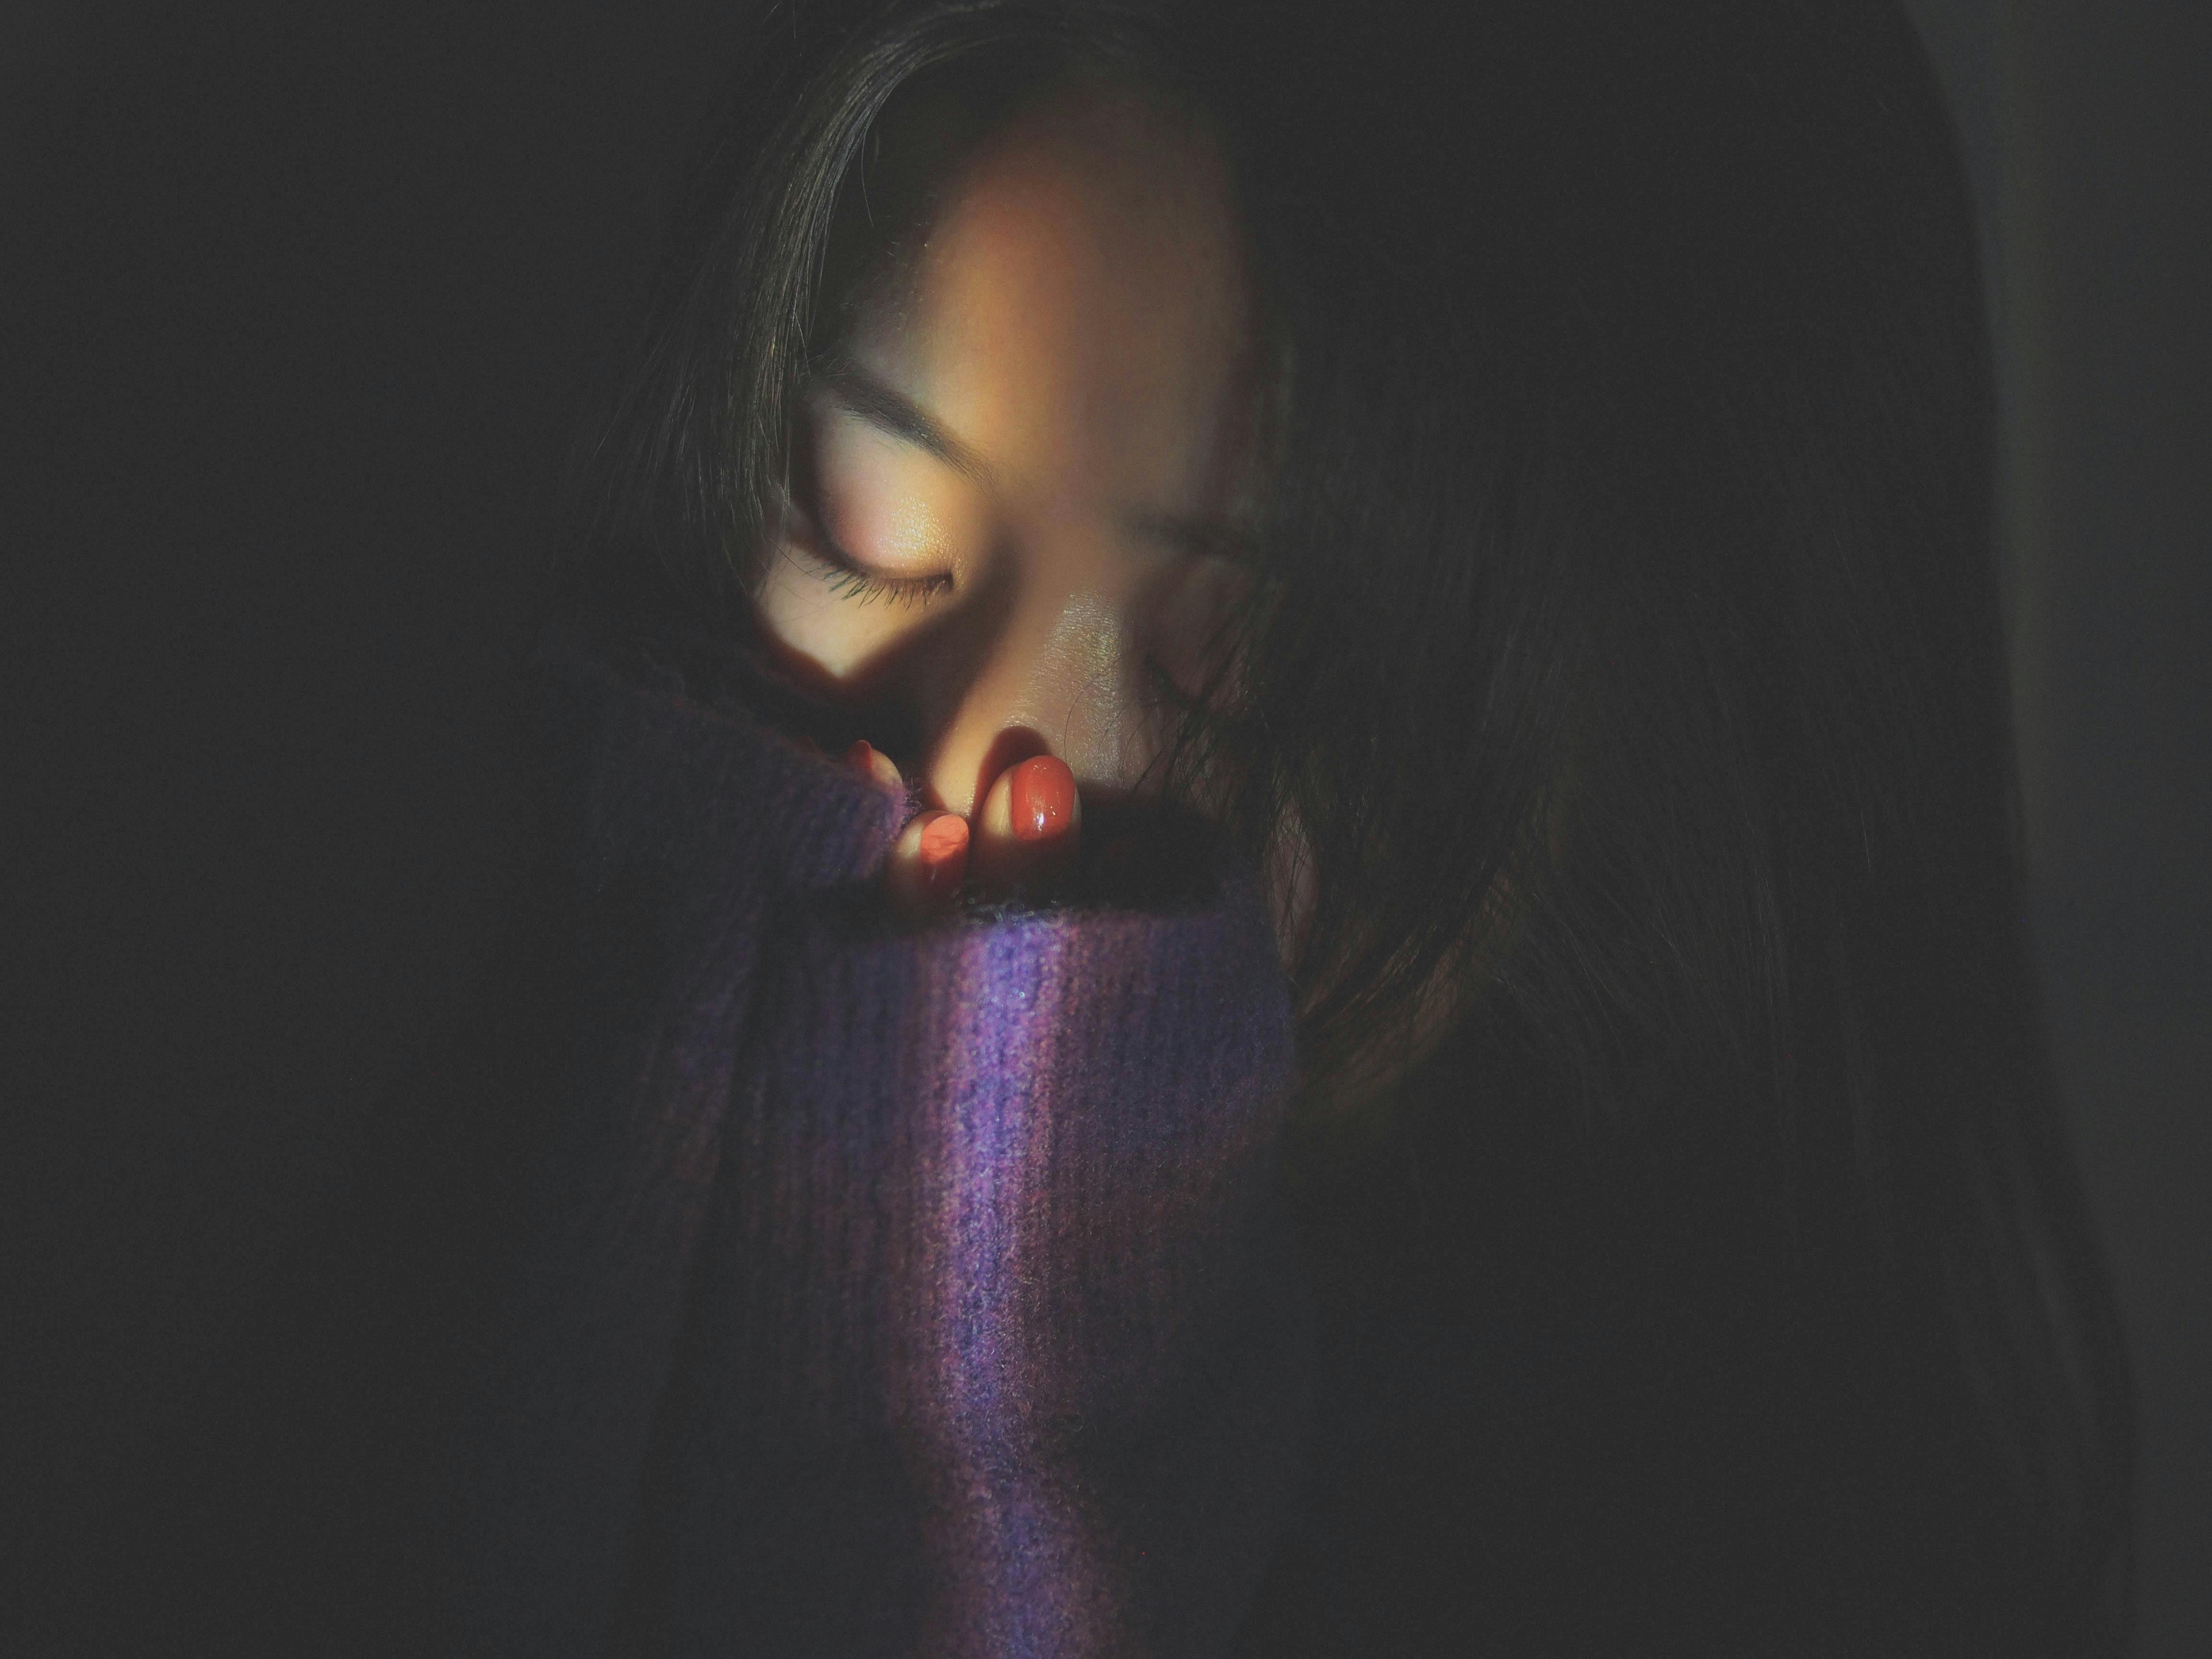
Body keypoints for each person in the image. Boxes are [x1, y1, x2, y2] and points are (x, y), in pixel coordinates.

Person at [74, 1, 2131, 1653]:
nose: (984, 755)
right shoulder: (423, 1264)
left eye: (1241, 668)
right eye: (864, 527)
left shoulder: (1726, 1560)